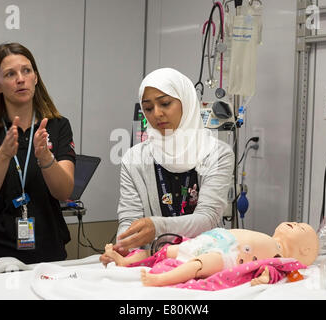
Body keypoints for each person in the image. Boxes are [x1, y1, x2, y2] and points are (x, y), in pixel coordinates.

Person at [100, 68, 234, 265]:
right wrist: (124, 246)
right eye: (148, 108)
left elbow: (207, 218)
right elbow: (130, 219)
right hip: (154, 262)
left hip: (207, 261)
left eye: (165, 103)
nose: (157, 114)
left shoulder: (217, 153)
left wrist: (158, 227)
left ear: (186, 102)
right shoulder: (134, 159)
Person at [0, 42, 76, 275]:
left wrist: (45, 157)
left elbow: (65, 192)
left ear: (36, 77)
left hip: (47, 255)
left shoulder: (57, 126)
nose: (20, 79)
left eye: (27, 71)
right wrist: (3, 155)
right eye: (10, 74)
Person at [103, 222, 319, 287]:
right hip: (212, 239)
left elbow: (272, 270)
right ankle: (126, 262)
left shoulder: (282, 257)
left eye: (300, 227)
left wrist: (264, 278)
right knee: (165, 250)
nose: (294, 222)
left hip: (228, 256)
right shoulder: (269, 237)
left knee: (199, 264)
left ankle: (160, 279)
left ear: (305, 250)